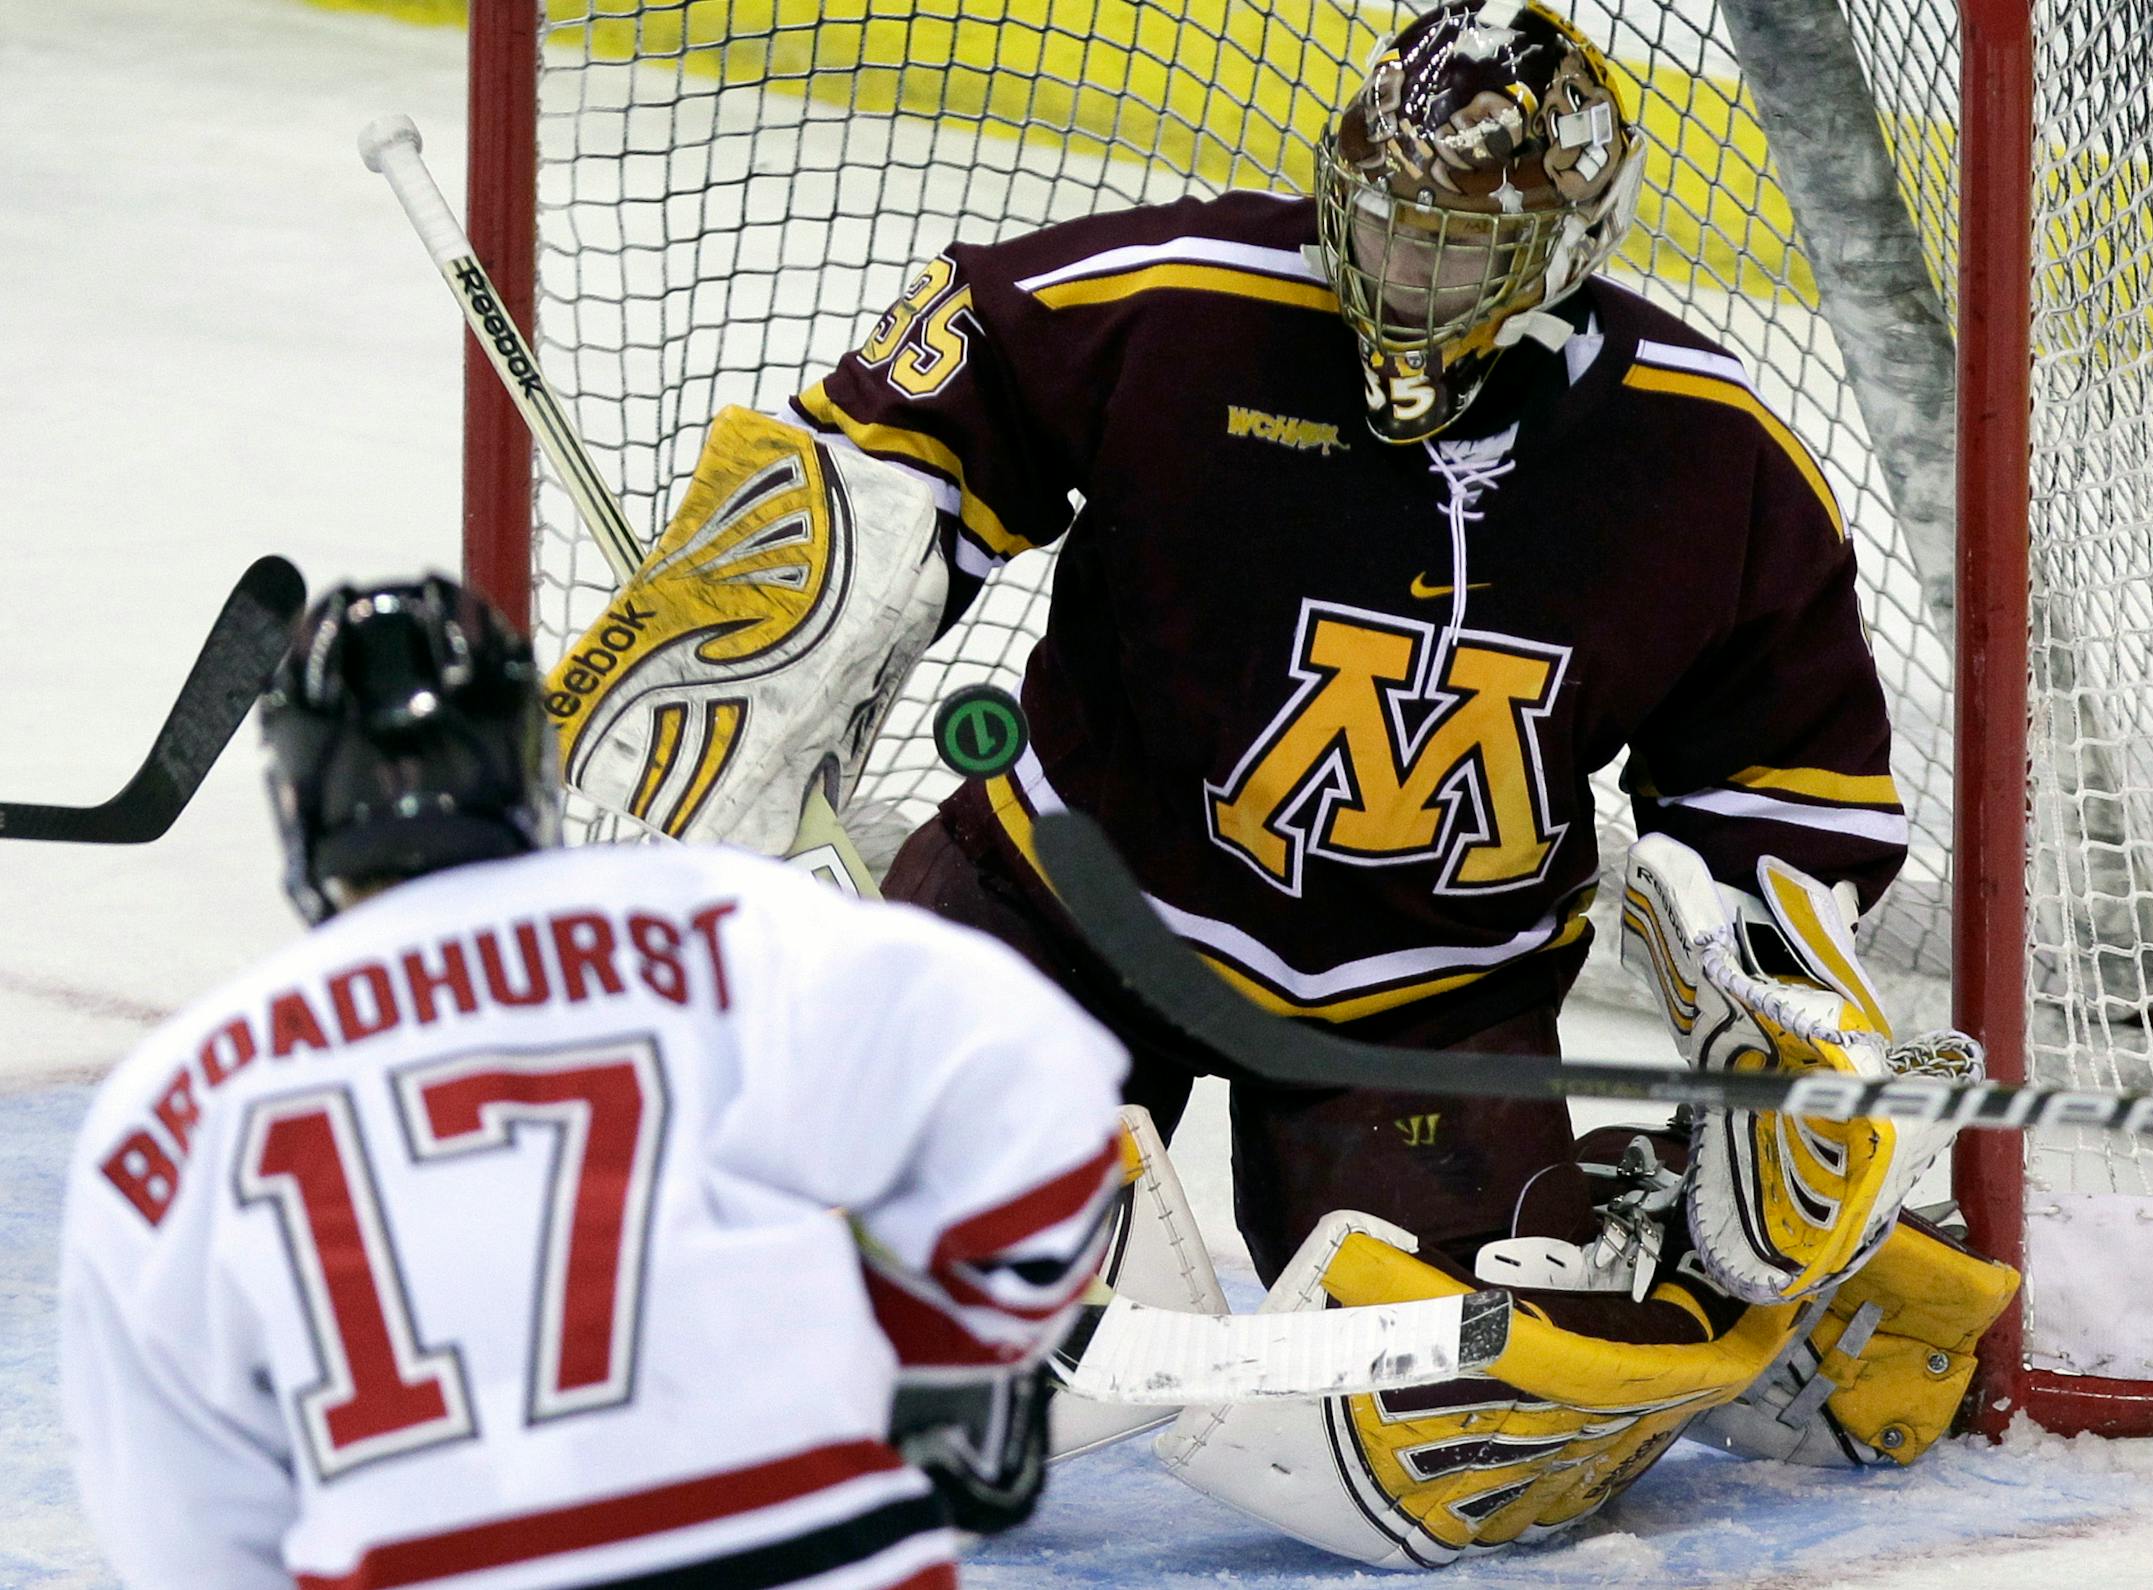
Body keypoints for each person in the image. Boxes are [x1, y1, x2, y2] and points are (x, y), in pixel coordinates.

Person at [538, 0, 2016, 1565]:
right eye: (1375, 224)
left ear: (1561, 258)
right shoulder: (1191, 305)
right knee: (892, 1327)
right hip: (1067, 902)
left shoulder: (1709, 454)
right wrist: (797, 584)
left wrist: (1765, 995)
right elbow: (942, 379)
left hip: (1428, 998)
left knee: (1456, 1429)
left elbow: (1793, 776)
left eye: (1449, 249)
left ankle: (1748, 1269)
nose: (1395, 274)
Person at [59, 576, 1128, 1590]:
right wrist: (923, 1353)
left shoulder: (172, 1104)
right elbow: (1043, 1086)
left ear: (299, 808)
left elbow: (187, 1537)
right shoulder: (719, 928)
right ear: (526, 764)